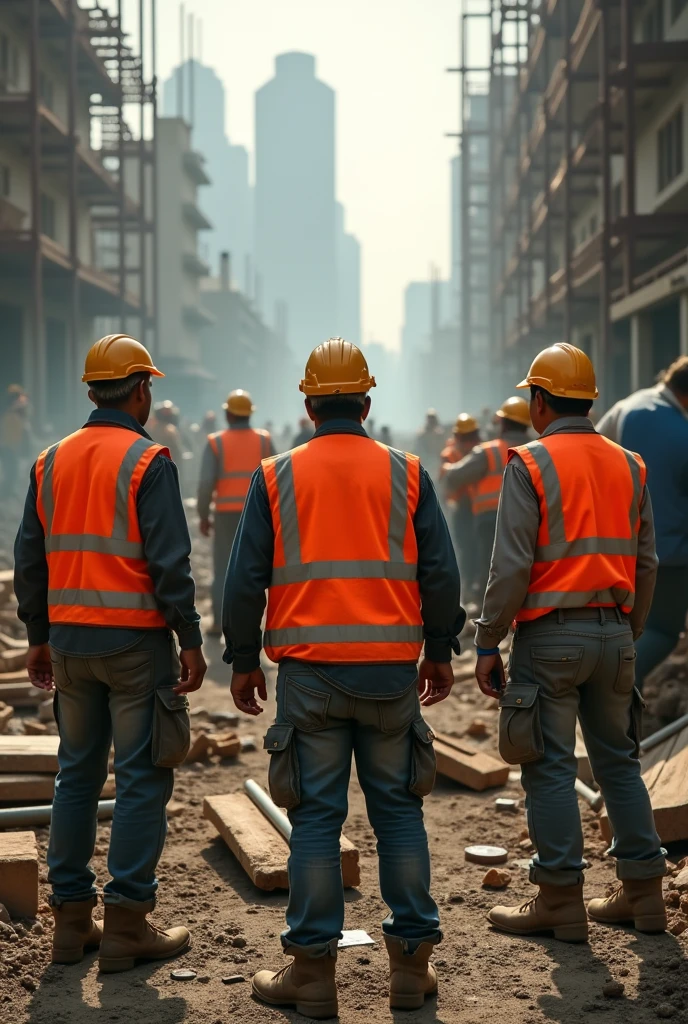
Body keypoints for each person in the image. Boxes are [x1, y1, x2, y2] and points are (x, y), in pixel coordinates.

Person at [224, 338, 464, 1018]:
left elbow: (244, 579)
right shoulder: (408, 472)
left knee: (316, 825)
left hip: (309, 679)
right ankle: (412, 972)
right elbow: (440, 573)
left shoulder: (275, 476)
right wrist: (440, 649)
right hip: (390, 675)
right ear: (366, 400)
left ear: (307, 405)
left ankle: (312, 977)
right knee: (400, 816)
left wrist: (243, 660)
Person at [13, 333, 207, 972]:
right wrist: (190, 639)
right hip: (133, 646)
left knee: (76, 775)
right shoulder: (148, 461)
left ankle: (71, 925)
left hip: (69, 644)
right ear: (142, 389)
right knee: (143, 780)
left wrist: (38, 636)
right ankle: (126, 926)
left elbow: (29, 558)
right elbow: (169, 563)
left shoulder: (50, 460)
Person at [474, 342, 666, 943]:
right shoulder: (630, 464)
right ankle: (644, 896)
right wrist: (625, 633)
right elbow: (648, 562)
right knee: (619, 764)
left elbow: (511, 568)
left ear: (538, 400)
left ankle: (560, 900)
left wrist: (488, 641)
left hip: (551, 640)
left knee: (550, 770)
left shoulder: (529, 464)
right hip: (615, 631)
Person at [597, 356, 688, 690]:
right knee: (662, 630)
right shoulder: (683, 433)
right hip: (667, 556)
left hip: (609, 552)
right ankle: (614, 692)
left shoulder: (624, 409)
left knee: (617, 629)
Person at [197, 390, 274, 635]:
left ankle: (220, 623)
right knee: (254, 569)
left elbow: (206, 483)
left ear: (228, 415)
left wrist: (203, 515)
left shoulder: (215, 442)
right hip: (258, 514)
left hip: (226, 515)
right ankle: (250, 627)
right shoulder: (264, 441)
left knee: (222, 569)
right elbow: (276, 477)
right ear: (249, 415)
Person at [442, 397, 531, 599]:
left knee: (489, 568)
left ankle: (488, 618)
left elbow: (454, 477)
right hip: (528, 520)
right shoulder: (541, 448)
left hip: (490, 517)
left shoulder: (488, 451)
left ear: (503, 424)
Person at [440, 414, 481, 602]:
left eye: (471, 437)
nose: (469, 442)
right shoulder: (449, 455)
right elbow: (446, 479)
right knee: (465, 549)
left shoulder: (480, 453)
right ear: (457, 438)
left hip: (479, 508)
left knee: (480, 549)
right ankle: (466, 590)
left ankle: (476, 589)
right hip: (460, 507)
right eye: (465, 438)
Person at [0, 384, 31, 498]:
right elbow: (8, 435)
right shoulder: (9, 415)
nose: (23, 400)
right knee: (11, 472)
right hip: (8, 448)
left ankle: (8, 493)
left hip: (12, 448)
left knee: (13, 472)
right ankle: (5, 495)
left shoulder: (16, 415)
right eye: (20, 397)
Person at [414, 408, 446, 480]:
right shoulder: (422, 434)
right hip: (426, 462)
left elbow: (443, 448)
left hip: (437, 463)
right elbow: (419, 449)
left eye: (433, 418)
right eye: (430, 418)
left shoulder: (439, 434)